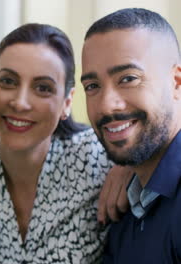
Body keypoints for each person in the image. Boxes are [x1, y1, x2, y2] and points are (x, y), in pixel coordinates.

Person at [0, 23, 130, 263]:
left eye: (43, 88)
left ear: (67, 102)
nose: (20, 102)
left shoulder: (97, 159)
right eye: (8, 81)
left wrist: (131, 163)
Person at [81, 8, 181, 263]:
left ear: (176, 83)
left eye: (128, 78)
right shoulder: (124, 198)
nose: (106, 105)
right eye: (92, 86)